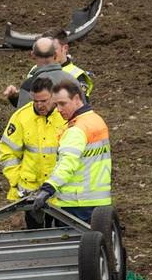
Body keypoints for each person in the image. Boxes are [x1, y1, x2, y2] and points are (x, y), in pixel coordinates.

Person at [26, 78, 111, 224]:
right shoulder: (96, 121)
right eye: (56, 104)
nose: (58, 109)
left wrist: (48, 188)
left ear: (77, 98)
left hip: (76, 203)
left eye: (63, 104)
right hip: (99, 199)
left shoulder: (76, 130)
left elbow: (67, 163)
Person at [0, 75, 67, 228]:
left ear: (53, 96)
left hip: (61, 192)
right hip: (31, 193)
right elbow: (8, 152)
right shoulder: (21, 117)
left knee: (63, 236)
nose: (39, 105)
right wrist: (16, 180)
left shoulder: (65, 116)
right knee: (35, 238)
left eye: (44, 101)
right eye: (36, 101)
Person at [3, 35, 76, 109]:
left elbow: (24, 117)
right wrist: (15, 98)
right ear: (55, 55)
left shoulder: (29, 86)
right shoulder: (72, 80)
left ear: (32, 55)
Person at [44, 28, 95, 98]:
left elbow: (81, 106)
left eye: (53, 49)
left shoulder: (76, 76)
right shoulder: (34, 70)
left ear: (65, 48)